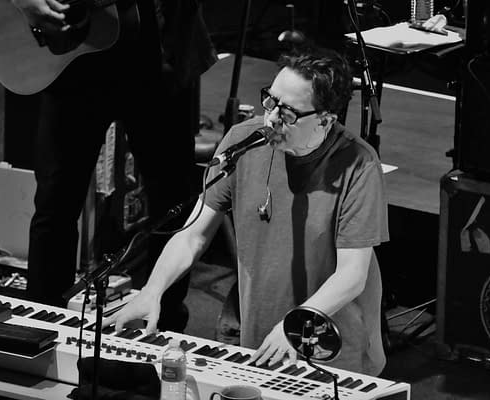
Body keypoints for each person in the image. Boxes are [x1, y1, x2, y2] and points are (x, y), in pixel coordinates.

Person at [104, 45, 389, 375]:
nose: (271, 118)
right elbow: (193, 235)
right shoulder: (243, 143)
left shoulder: (359, 165)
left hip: (327, 344)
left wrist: (294, 325)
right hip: (259, 338)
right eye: (271, 100)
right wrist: (152, 289)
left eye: (288, 113)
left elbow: (353, 275)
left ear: (326, 120)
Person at [15, 0, 217, 332]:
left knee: (173, 205)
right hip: (73, 61)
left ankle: (161, 330)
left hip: (159, 54)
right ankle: (40, 328)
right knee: (55, 203)